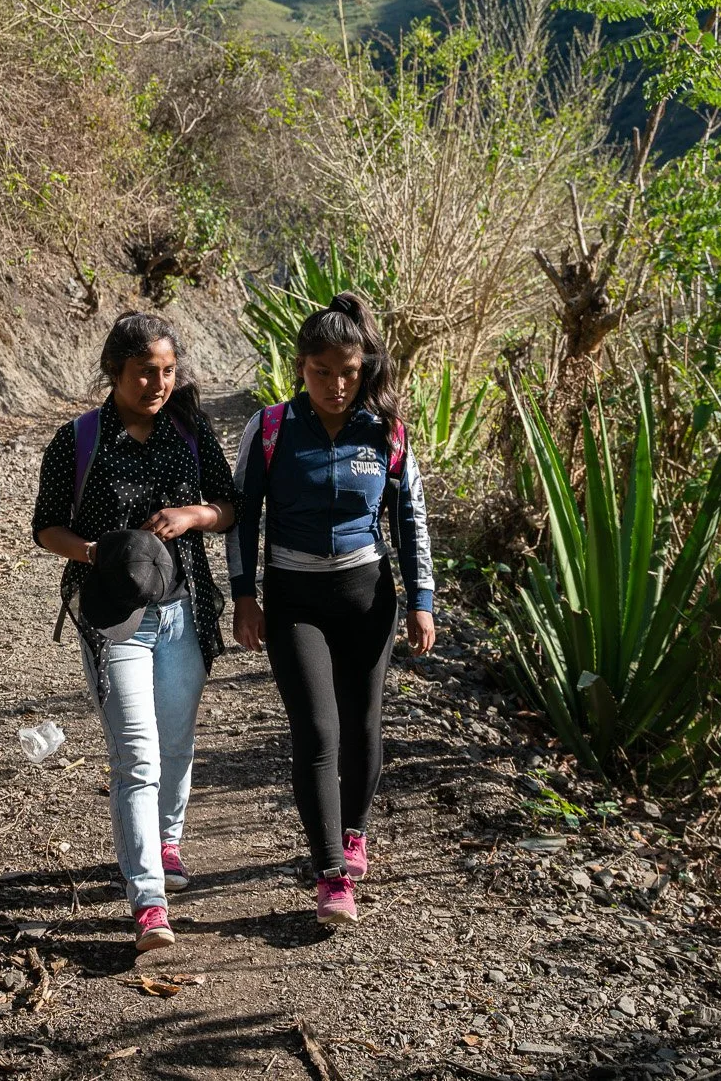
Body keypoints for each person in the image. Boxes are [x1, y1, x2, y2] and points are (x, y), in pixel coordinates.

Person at [228, 292, 436, 927]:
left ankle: (355, 830)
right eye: (322, 372)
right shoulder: (269, 430)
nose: (337, 385)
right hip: (294, 602)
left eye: (349, 372)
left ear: (363, 368)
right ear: (300, 366)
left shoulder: (388, 433)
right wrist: (244, 595)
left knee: (363, 726)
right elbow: (243, 517)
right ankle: (329, 874)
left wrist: (421, 602)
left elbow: (410, 520)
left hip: (368, 597)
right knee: (318, 732)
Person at [32, 312, 235, 953]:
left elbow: (229, 508)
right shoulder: (77, 441)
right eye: (146, 371)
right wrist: (97, 554)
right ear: (114, 372)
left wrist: (192, 513)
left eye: (169, 371)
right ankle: (148, 899)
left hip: (185, 613)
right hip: (114, 618)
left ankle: (167, 842)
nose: (158, 383)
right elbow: (46, 527)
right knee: (138, 756)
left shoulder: (191, 430)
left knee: (175, 744)